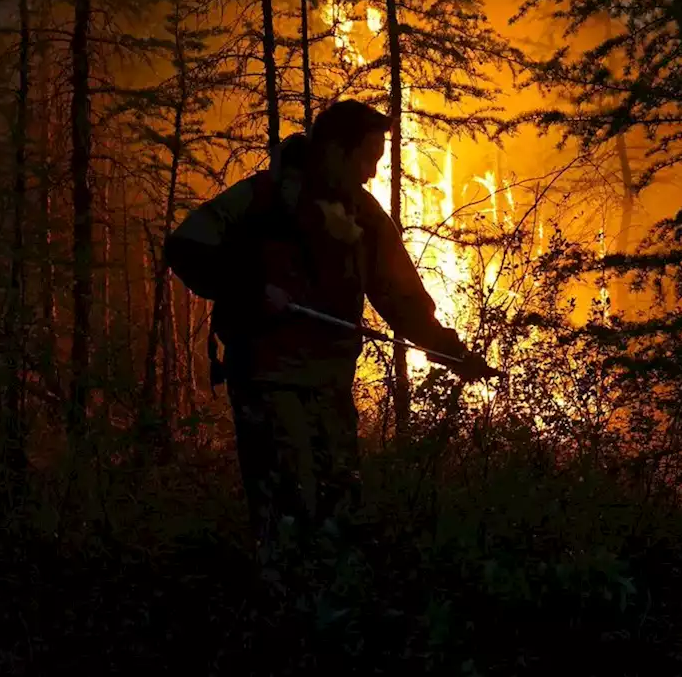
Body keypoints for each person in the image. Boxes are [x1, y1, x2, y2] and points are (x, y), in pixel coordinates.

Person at [163, 100, 495, 555]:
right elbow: (186, 246)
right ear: (336, 151)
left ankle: (332, 605)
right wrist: (250, 287)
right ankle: (280, 604)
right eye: (367, 159)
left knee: (340, 508)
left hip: (330, 386)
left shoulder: (364, 217)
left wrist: (453, 353)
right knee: (284, 513)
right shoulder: (262, 198)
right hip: (267, 383)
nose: (373, 173)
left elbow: (402, 300)